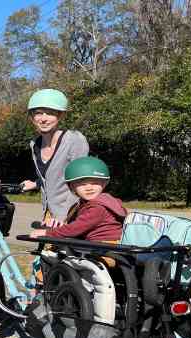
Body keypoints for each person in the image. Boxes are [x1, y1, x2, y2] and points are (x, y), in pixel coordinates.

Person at [20, 89, 89, 228]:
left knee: (65, 250)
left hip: (73, 214)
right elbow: (52, 176)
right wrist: (36, 184)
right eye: (38, 113)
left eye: (50, 113)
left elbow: (80, 181)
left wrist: (63, 216)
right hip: (50, 215)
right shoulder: (35, 144)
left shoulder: (74, 140)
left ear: (60, 115)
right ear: (32, 117)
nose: (43, 118)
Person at [29, 156, 127, 241]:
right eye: (82, 184)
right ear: (72, 187)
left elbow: (75, 229)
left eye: (95, 183)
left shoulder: (98, 207)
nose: (89, 188)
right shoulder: (84, 203)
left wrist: (47, 233)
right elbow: (77, 225)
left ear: (104, 184)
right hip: (94, 245)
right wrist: (59, 225)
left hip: (102, 249)